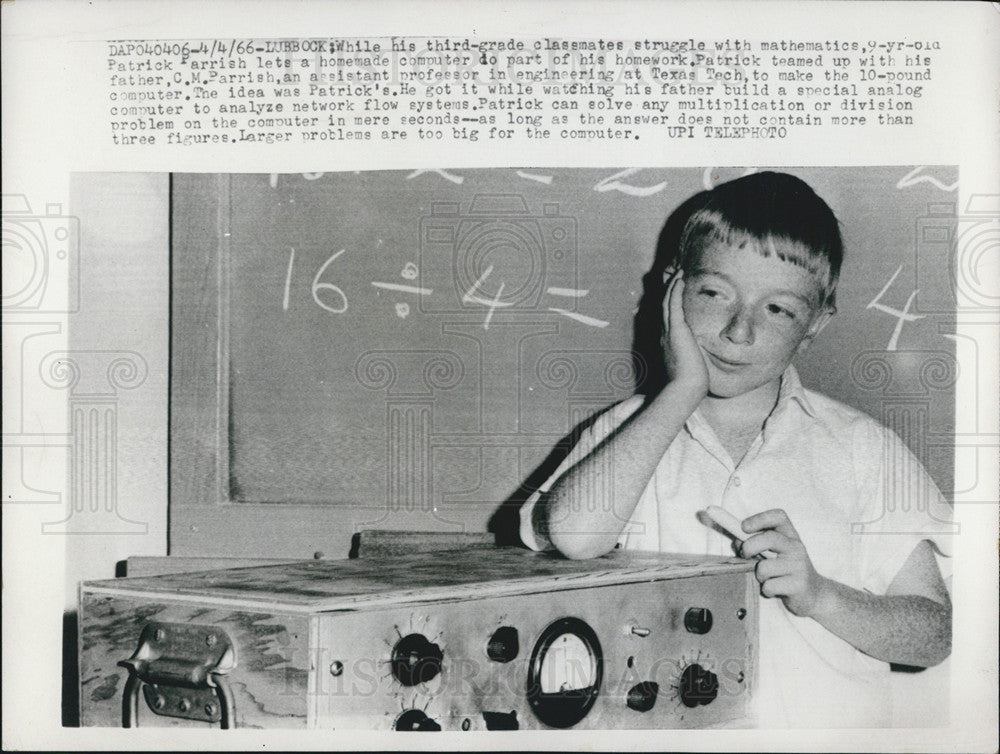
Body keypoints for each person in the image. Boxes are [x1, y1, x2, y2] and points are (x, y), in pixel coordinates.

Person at [518, 171, 952, 727]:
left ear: (816, 323)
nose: (737, 332)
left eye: (777, 310)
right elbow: (576, 536)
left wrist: (821, 596)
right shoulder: (627, 436)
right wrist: (681, 391)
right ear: (673, 291)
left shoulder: (863, 449)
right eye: (714, 293)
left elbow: (934, 635)